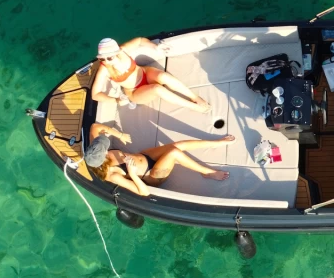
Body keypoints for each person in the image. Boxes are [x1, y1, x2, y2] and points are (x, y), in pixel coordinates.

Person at [84, 123, 232, 196]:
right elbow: (144, 192)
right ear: (103, 157)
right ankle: (207, 172)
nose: (104, 145)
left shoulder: (95, 150)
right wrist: (132, 173)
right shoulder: (114, 175)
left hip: (145, 156)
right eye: (104, 148)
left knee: (177, 145)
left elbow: (94, 127)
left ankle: (214, 143)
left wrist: (119, 135)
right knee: (174, 152)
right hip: (152, 174)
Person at [91, 37, 211, 112]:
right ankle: (193, 106)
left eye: (109, 57)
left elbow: (139, 40)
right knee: (157, 89)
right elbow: (95, 94)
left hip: (145, 73)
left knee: (163, 77)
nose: (106, 61)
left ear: (117, 52)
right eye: (102, 59)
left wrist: (156, 47)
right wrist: (116, 100)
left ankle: (194, 97)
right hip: (135, 91)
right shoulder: (105, 69)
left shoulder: (124, 50)